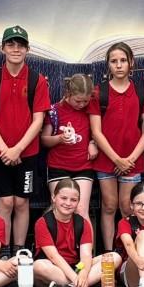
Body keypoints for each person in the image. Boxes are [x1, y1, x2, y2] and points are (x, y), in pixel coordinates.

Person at [0, 25, 51, 248]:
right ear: (2, 48)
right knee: (5, 202)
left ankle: (19, 250)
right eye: (10, 44)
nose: (15, 49)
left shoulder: (37, 80)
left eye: (20, 45)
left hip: (27, 153)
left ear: (28, 49)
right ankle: (2, 249)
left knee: (21, 203)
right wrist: (5, 150)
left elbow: (38, 120)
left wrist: (18, 149)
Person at [89, 42, 144, 249]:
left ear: (131, 62)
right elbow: (96, 131)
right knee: (109, 205)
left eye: (123, 60)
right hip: (107, 159)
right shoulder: (99, 92)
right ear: (108, 64)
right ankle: (108, 252)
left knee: (127, 207)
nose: (118, 65)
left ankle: (127, 254)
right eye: (114, 61)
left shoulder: (140, 92)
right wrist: (117, 159)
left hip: (133, 160)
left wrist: (129, 160)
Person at [31, 177, 97, 287]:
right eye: (63, 198)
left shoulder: (83, 223)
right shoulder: (42, 222)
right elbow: (53, 256)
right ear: (54, 197)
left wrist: (83, 274)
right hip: (53, 268)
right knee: (38, 266)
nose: (68, 203)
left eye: (73, 200)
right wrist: (76, 279)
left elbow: (86, 256)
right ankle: (84, 286)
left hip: (76, 267)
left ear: (78, 202)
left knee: (113, 258)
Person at [42, 72, 97, 218]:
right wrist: (60, 138)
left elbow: (98, 132)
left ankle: (85, 235)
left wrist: (93, 143)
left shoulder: (91, 110)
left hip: (83, 166)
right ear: (68, 93)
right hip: (58, 165)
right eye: (78, 101)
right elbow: (44, 140)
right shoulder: (54, 111)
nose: (82, 105)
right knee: (60, 209)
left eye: (85, 101)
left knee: (81, 210)